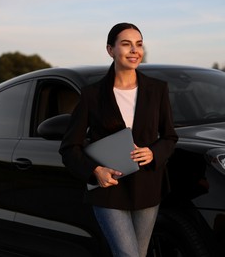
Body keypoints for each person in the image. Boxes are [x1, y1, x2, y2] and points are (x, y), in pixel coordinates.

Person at [59, 22, 178, 257]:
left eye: (139, 44)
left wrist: (154, 152)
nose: (134, 50)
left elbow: (169, 137)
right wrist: (95, 171)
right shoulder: (92, 94)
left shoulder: (157, 89)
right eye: (126, 44)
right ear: (110, 50)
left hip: (147, 187)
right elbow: (69, 148)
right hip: (109, 190)